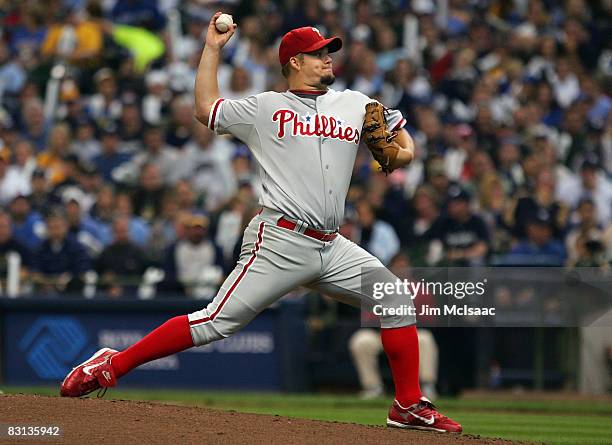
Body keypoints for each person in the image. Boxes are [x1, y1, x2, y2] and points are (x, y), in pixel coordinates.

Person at [60, 14, 461, 433]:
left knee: (395, 299)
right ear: (293, 63)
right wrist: (213, 48)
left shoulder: (357, 104)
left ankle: (408, 405)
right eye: (317, 53)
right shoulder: (265, 107)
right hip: (280, 240)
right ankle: (113, 363)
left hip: (332, 244)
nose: (327, 58)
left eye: (328, 52)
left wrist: (403, 154)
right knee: (216, 321)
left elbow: (401, 147)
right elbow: (205, 109)